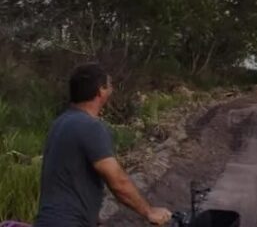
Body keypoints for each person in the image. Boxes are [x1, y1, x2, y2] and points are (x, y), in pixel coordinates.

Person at [34, 64, 172, 227]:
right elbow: (118, 182)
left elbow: (69, 177)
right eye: (110, 85)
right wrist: (149, 212)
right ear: (101, 90)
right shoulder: (91, 126)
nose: (112, 89)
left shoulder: (60, 123)